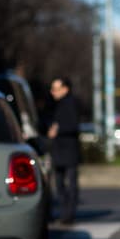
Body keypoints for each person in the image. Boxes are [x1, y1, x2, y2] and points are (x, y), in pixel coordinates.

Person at [47, 77, 81, 224]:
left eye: (56, 89)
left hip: (69, 150)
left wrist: (57, 130)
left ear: (65, 89)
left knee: (70, 183)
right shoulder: (56, 104)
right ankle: (64, 212)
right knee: (59, 184)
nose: (52, 92)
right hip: (59, 150)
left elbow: (73, 126)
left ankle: (69, 213)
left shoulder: (70, 103)